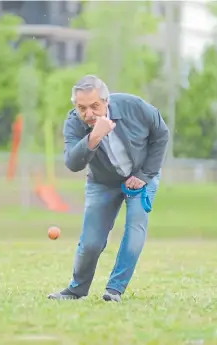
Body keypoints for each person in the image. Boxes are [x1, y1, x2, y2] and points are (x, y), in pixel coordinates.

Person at [48, 75, 169, 302]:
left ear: (106, 101)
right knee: (91, 242)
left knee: (134, 230)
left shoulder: (133, 106)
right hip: (102, 182)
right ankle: (76, 291)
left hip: (142, 176)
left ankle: (114, 290)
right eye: (82, 108)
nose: (89, 113)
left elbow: (161, 134)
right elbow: (73, 163)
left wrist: (144, 175)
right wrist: (93, 137)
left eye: (95, 106)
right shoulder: (74, 123)